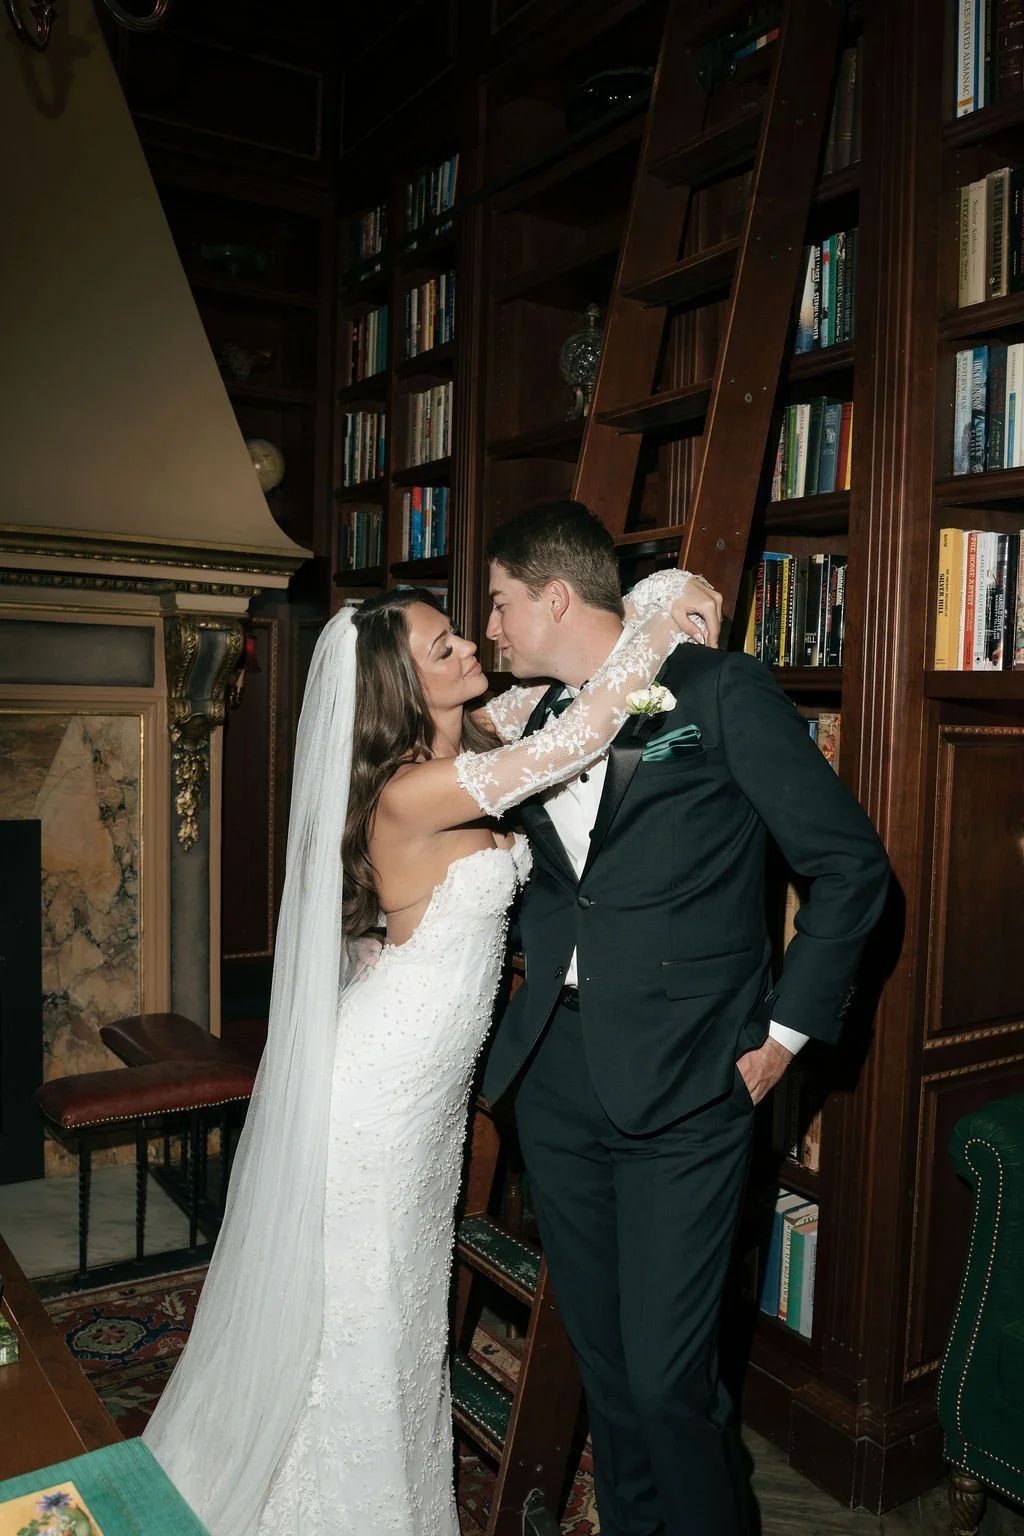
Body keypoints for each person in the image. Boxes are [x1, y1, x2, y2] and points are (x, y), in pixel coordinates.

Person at [142, 568, 719, 1536]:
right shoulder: (413, 795)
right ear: (399, 691)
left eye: (460, 630)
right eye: (441, 647)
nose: (468, 647)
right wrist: (663, 621)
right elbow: (580, 738)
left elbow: (559, 709)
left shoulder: (475, 745)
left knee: (404, 1307)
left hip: (422, 1090)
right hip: (378, 1095)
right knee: (362, 1314)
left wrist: (639, 613)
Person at [481, 500, 891, 1536]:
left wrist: (783, 1037)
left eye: (497, 602)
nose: (488, 627)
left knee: (670, 1383)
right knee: (610, 1376)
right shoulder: (533, 721)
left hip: (692, 1079)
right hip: (559, 1077)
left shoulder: (720, 688)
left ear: (554, 595)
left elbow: (849, 867)